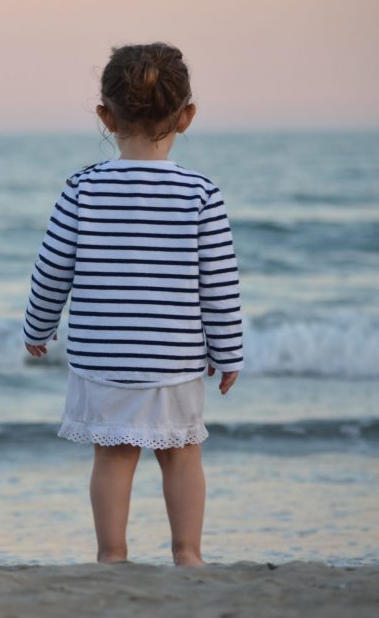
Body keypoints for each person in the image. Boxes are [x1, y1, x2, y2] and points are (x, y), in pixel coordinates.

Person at [22, 42, 244, 567]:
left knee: (114, 458)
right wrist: (229, 352)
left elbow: (52, 268)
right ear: (186, 117)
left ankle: (112, 556)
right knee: (183, 455)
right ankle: (188, 556)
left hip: (104, 358)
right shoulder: (200, 194)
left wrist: (38, 326)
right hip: (175, 357)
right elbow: (219, 284)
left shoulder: (82, 188)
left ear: (105, 115)